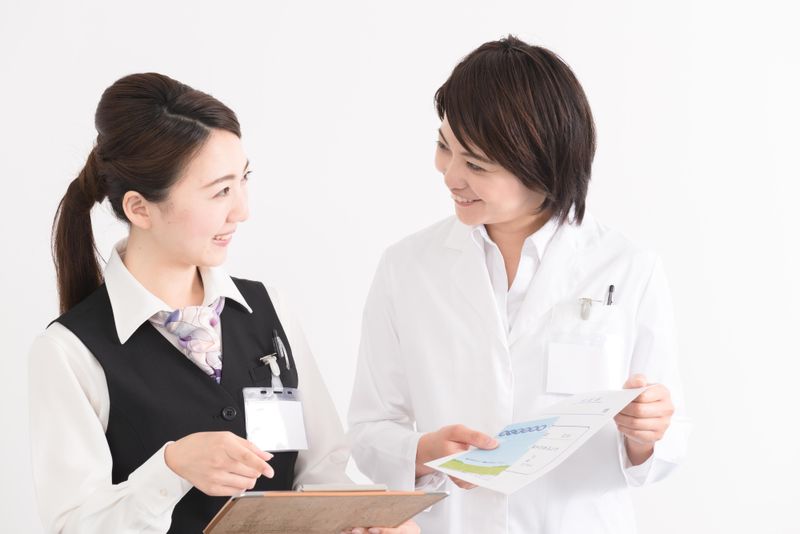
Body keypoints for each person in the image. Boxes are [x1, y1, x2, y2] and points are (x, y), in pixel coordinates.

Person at [29, 72, 416, 534]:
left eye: (243, 180)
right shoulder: (69, 351)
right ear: (139, 208)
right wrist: (170, 469)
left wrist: (366, 523)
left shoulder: (268, 308)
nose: (242, 211)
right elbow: (74, 526)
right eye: (220, 191)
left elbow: (320, 474)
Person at [348, 36, 689, 533]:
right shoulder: (407, 267)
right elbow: (369, 430)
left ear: (542, 167)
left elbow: (667, 446)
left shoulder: (627, 268)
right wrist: (421, 452)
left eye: (476, 165)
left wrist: (646, 433)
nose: (450, 176)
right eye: (444, 147)